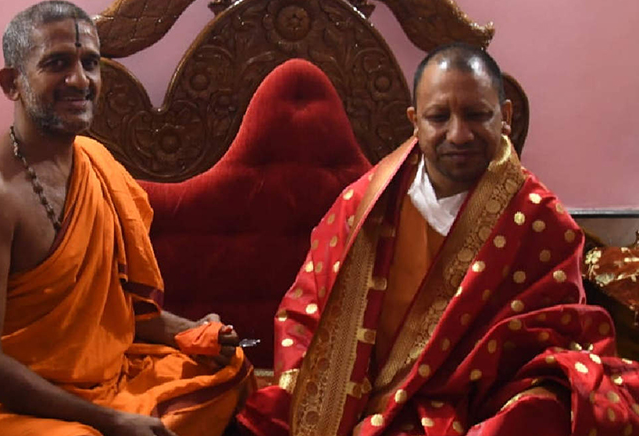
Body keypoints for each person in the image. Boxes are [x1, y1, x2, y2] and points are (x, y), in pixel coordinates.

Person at [237, 43, 639, 436]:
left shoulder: (541, 222)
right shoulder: (364, 206)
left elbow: (553, 343)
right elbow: (305, 309)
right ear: (415, 120)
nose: (459, 135)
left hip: (473, 408)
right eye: (438, 117)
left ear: (505, 117)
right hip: (354, 399)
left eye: (476, 115)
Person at [0, 2, 251, 435]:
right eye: (57, 63)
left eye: (90, 63)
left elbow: (118, 318)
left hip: (99, 378)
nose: (80, 80)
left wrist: (193, 332)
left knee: (229, 372)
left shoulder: (96, 163)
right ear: (12, 83)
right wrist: (112, 421)